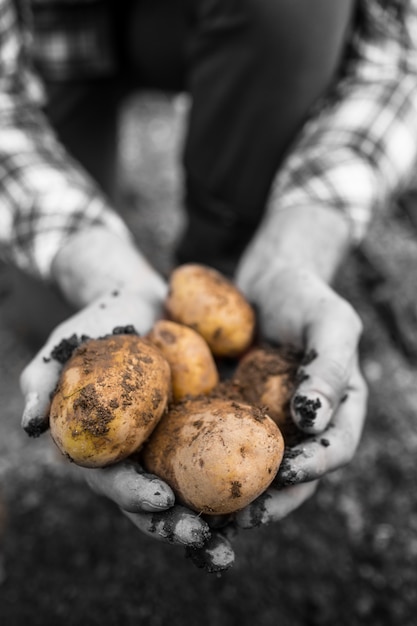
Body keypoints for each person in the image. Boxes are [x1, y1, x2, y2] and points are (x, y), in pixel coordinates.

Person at [0, 0, 416, 571]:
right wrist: (93, 262)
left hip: (216, 18)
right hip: (47, 41)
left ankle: (235, 249)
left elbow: (398, 61)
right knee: (44, 311)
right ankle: (129, 267)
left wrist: (300, 243)